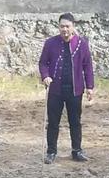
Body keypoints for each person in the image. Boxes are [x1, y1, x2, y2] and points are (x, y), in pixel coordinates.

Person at [38, 12, 94, 164]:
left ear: (73, 27)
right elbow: (43, 63)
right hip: (55, 89)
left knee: (75, 121)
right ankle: (51, 151)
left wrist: (89, 86)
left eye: (67, 26)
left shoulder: (82, 43)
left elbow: (87, 66)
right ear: (58, 27)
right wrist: (45, 76)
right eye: (62, 26)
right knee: (53, 122)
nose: (65, 29)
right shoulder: (50, 43)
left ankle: (77, 151)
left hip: (75, 90)